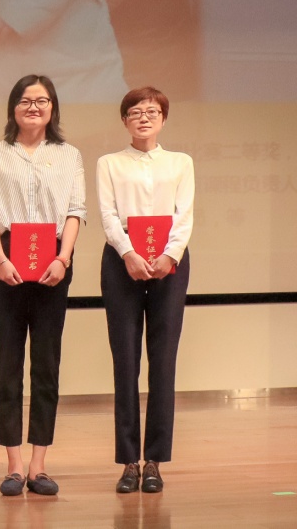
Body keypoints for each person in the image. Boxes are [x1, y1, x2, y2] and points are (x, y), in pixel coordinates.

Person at [0, 74, 83, 497]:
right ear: (13, 108)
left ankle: (39, 465)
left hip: (54, 258)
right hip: (5, 258)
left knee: (47, 362)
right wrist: (0, 259)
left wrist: (63, 258)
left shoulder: (69, 154)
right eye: (25, 100)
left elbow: (75, 210)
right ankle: (14, 465)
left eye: (42, 100)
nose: (33, 107)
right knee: (8, 360)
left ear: (53, 108)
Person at [96, 86, 195, 494]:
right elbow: (107, 214)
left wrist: (170, 255)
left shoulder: (181, 162)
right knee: (125, 363)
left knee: (163, 362)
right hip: (122, 264)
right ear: (124, 120)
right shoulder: (109, 163)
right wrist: (128, 254)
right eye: (135, 112)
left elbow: (184, 215)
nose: (144, 118)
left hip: (170, 265)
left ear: (163, 119)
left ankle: (154, 461)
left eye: (152, 111)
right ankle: (128, 462)